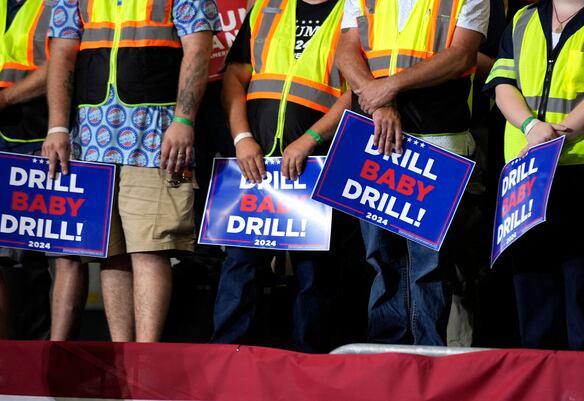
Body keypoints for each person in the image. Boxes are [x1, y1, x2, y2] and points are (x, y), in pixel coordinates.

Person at [42, 0, 220, 342]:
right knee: (109, 253)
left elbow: (198, 50)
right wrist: (57, 128)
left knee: (150, 248)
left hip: (157, 137)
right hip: (90, 140)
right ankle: (122, 358)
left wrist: (183, 120)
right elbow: (62, 57)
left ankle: (146, 358)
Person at [336, 0, 489, 345]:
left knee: (430, 268)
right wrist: (381, 102)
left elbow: (462, 56)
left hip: (438, 149)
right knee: (381, 260)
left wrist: (390, 87)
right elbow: (346, 50)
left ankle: (427, 363)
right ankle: (388, 360)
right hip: (376, 140)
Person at [212, 0, 352, 352]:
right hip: (255, 164)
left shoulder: (354, 11)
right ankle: (227, 359)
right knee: (240, 268)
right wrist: (242, 138)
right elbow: (235, 75)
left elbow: (356, 91)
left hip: (319, 164)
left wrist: (310, 139)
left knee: (314, 276)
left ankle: (310, 367)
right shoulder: (267, 8)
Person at [484, 0, 584, 350]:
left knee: (579, 287)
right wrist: (530, 126)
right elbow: (502, 83)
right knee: (530, 284)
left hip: (576, 167)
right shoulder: (523, 18)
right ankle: (541, 378)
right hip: (526, 173)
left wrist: (558, 132)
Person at [0, 0, 86, 341]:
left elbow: (66, 60)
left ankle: (57, 355)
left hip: (47, 134)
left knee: (62, 250)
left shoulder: (59, 4)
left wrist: (5, 97)